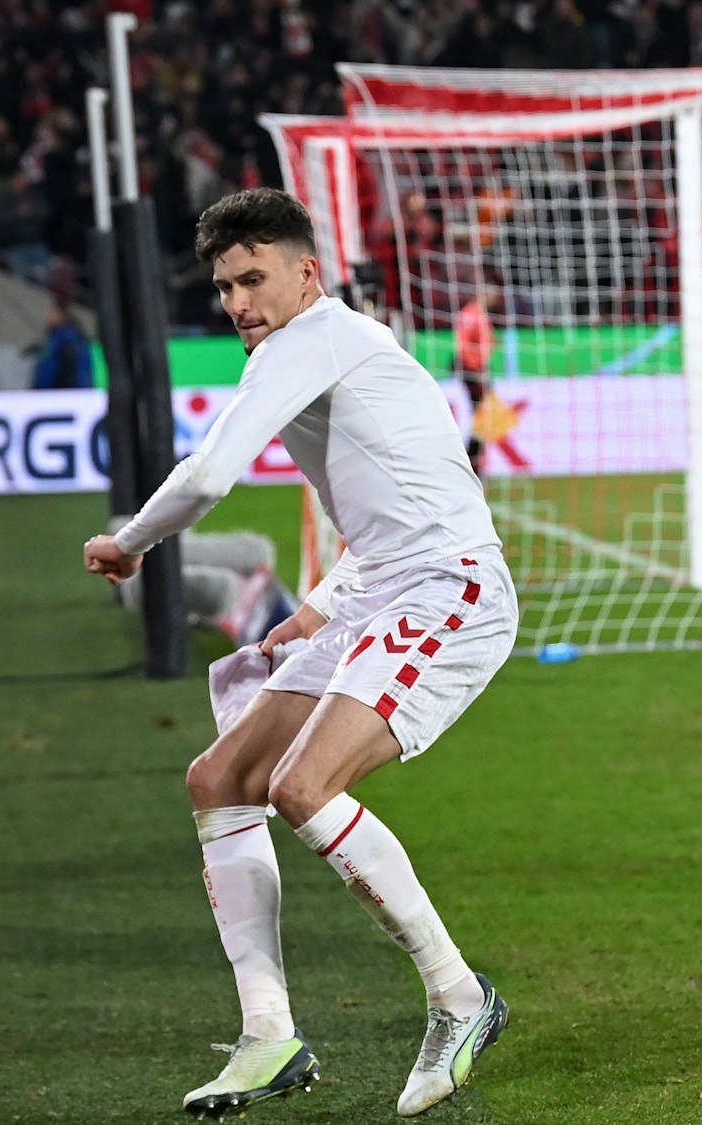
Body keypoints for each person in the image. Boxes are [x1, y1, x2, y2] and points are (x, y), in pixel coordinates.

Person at [81, 188, 517, 1117]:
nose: (238, 302)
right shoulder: (331, 343)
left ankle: (459, 995)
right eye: (224, 287)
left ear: (306, 273)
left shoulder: (311, 338)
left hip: (450, 588)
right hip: (376, 589)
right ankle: (269, 1034)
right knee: (219, 779)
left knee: (301, 787)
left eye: (253, 279)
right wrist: (318, 606)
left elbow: (207, 475)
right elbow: (390, 496)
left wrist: (130, 542)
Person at [453, 288, 495, 475]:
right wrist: (476, 371)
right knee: (480, 417)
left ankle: (476, 461)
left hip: (477, 371)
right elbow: (463, 345)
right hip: (473, 373)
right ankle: (472, 462)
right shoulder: (471, 314)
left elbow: (484, 342)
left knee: (483, 417)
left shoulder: (477, 313)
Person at [31, 300, 94, 390]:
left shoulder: (60, 339)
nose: (49, 316)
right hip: (78, 390)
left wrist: (38, 388)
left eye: (53, 312)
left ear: (61, 314)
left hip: (61, 391)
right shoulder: (78, 336)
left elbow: (48, 368)